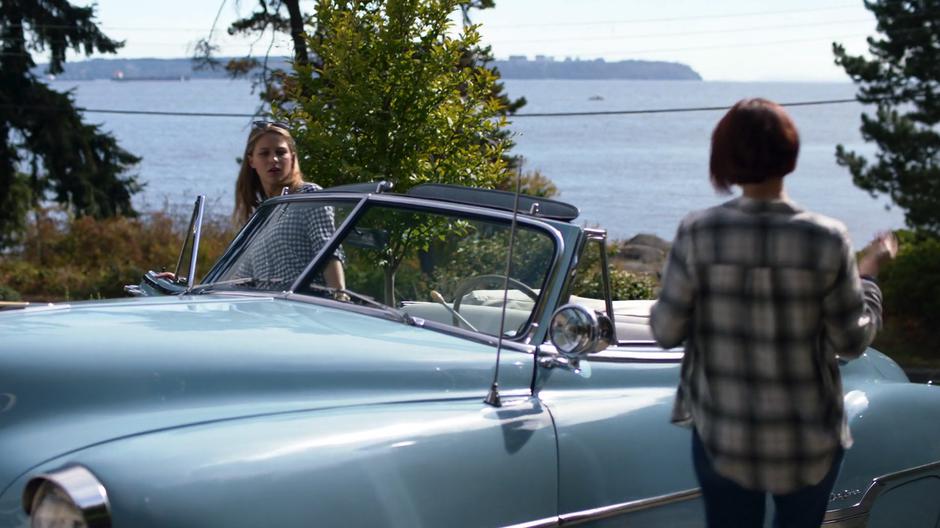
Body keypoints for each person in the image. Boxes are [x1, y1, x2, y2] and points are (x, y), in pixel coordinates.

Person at [649, 98, 897, 528]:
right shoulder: (826, 238)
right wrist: (869, 275)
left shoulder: (698, 232)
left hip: (723, 430)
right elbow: (852, 342)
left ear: (724, 158)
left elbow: (666, 330)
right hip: (808, 436)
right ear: (790, 154)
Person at [230, 121, 346, 291]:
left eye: (280, 152)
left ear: (292, 157)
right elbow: (241, 280)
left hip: (306, 308)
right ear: (251, 161)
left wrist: (340, 296)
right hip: (265, 311)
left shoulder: (310, 195)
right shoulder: (259, 215)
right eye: (264, 153)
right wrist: (190, 288)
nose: (273, 159)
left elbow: (328, 252)